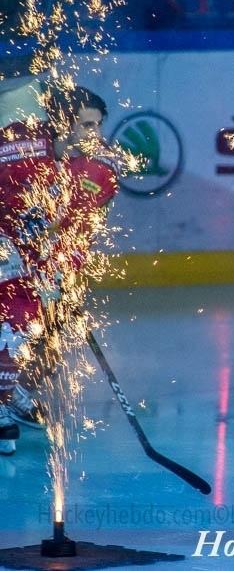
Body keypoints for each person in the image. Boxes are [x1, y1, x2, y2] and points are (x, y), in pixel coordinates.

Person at [0, 85, 118, 453]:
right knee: (11, 323)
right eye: (86, 125)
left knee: (54, 329)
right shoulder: (17, 145)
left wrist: (65, 269)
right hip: (7, 245)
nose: (95, 134)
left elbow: (83, 228)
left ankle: (15, 394)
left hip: (46, 258)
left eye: (98, 125)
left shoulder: (99, 169)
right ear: (62, 123)